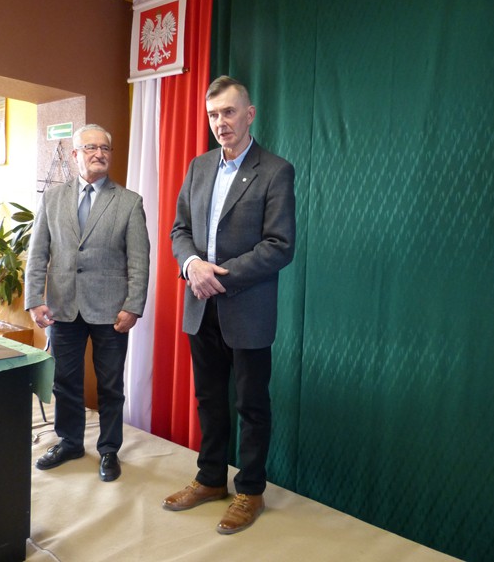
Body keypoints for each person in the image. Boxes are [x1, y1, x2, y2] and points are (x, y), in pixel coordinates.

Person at [163, 76, 296, 534]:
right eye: (213, 114)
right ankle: (210, 479)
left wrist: (217, 277)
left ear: (250, 114)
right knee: (209, 400)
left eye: (229, 112)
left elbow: (279, 245)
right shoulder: (199, 167)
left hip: (246, 309)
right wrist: (191, 265)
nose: (221, 122)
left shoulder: (275, 171)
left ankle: (251, 491)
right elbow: (179, 230)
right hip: (200, 306)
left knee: (252, 405)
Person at [25, 123, 150, 482]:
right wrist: (34, 299)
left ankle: (109, 449)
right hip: (62, 306)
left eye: (105, 148)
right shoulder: (52, 199)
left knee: (110, 385)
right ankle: (70, 442)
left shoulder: (129, 202)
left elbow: (139, 260)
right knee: (65, 381)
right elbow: (38, 253)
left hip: (112, 310)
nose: (99, 154)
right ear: (75, 154)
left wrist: (134, 305)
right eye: (91, 148)